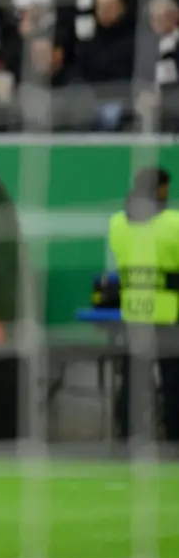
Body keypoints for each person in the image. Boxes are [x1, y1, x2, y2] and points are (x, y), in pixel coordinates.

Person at [107, 167, 179, 444]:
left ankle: (127, 440)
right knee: (173, 385)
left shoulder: (117, 224)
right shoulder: (173, 224)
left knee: (133, 382)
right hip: (168, 313)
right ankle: (173, 441)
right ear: (161, 189)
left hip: (134, 312)